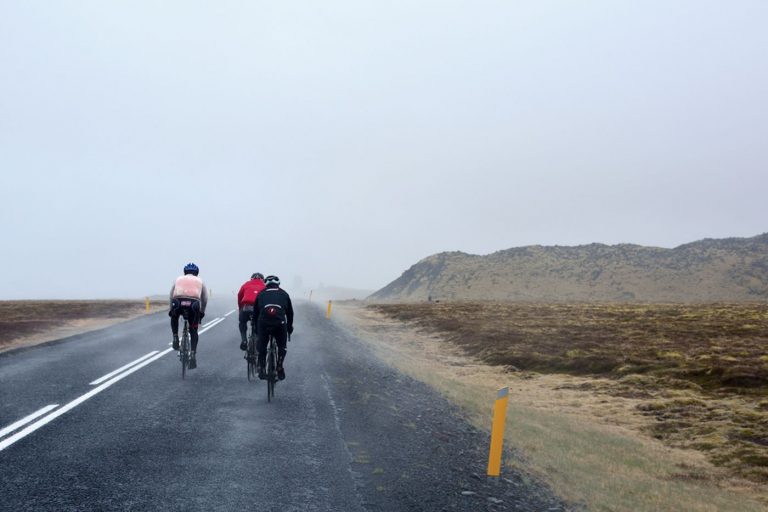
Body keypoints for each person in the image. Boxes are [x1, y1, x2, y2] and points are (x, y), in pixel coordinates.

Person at [254, 275, 293, 380]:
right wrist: (289, 328)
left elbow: (255, 313)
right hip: (279, 323)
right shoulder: (284, 294)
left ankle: (262, 367)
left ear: (266, 284)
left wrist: (256, 329)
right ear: (278, 284)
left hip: (264, 323)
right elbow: (290, 314)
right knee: (282, 346)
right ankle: (279, 365)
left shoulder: (261, 294)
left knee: (262, 346)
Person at [169, 263, 208, 369]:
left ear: (185, 272)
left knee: (174, 317)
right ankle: (193, 355)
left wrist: (171, 310)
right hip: (194, 304)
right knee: (193, 330)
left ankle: (175, 337)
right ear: (197, 273)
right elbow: (204, 298)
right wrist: (202, 312)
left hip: (178, 301)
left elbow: (171, 295)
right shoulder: (200, 281)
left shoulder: (178, 279)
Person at [237, 272, 265, 350]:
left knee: (242, 322)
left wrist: (240, 308)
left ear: (251, 279)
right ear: (263, 280)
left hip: (246, 308)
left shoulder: (246, 284)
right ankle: (258, 340)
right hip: (259, 309)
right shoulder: (265, 286)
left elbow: (239, 295)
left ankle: (244, 340)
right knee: (260, 323)